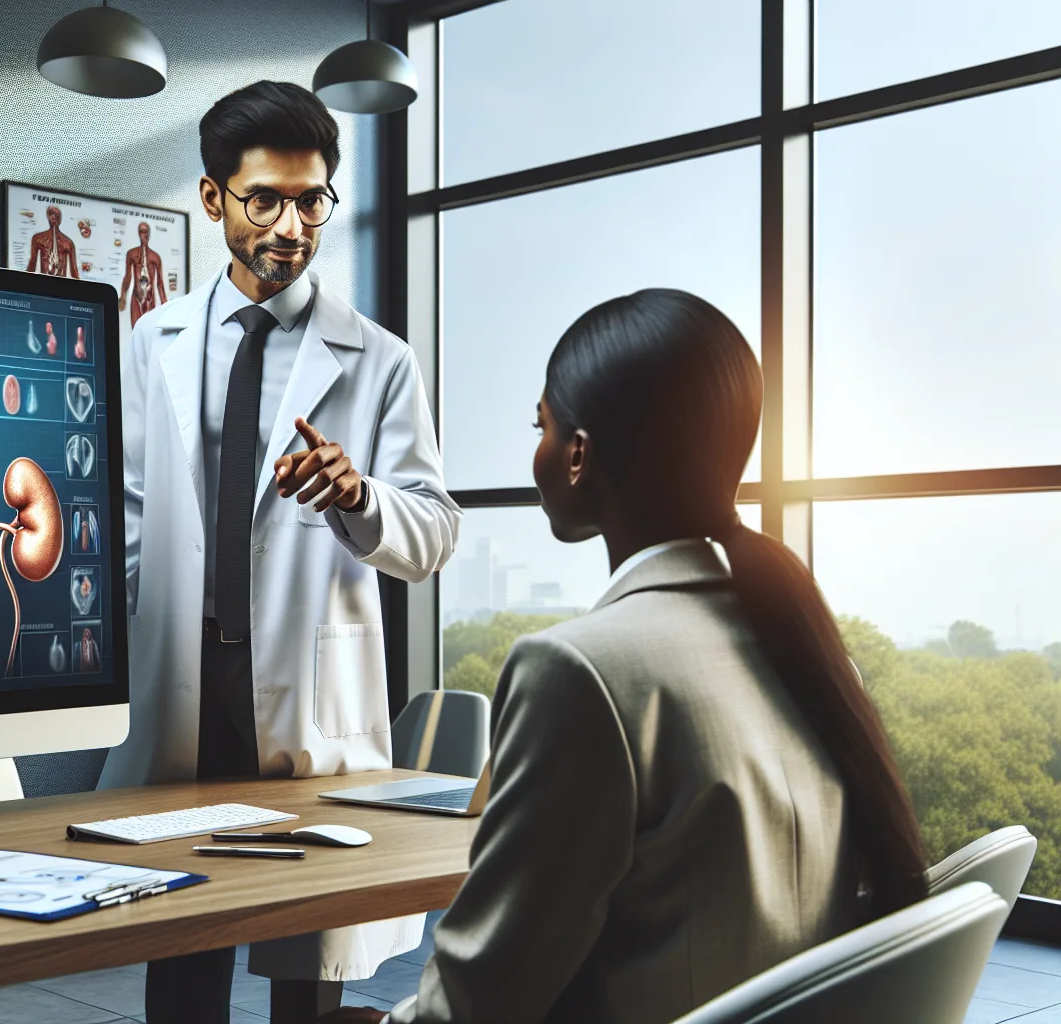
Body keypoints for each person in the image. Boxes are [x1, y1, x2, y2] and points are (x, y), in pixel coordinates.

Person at [354, 289, 927, 1024]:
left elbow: (478, 1000)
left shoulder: (580, 670)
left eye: (543, 427)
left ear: (579, 455)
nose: (538, 450)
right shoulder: (805, 644)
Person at [99, 80, 461, 1023]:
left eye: (313, 200)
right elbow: (132, 514)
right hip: (186, 690)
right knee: (179, 955)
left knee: (307, 972)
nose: (293, 225)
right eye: (266, 199)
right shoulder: (156, 341)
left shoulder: (378, 359)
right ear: (215, 198)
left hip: (308, 697)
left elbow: (432, 533)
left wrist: (358, 494)